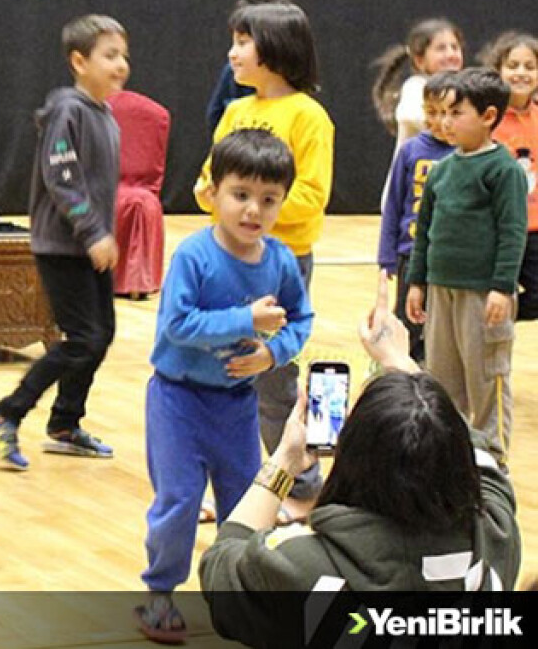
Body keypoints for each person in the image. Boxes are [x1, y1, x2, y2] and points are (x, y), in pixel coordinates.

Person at [199, 312, 521, 648]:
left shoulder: (302, 567)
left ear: (354, 455)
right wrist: (405, 370)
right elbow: (479, 454)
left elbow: (220, 566)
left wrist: (284, 462)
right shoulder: (495, 537)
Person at [134, 130, 312, 644]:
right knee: (180, 500)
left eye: (268, 199)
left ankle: (240, 597)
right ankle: (160, 594)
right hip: (177, 402)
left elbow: (300, 321)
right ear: (212, 193)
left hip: (237, 406)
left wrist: (271, 352)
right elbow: (177, 326)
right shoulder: (194, 256)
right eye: (240, 194)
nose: (253, 209)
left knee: (245, 503)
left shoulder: (279, 261)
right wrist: (245, 320)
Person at [194, 2, 333, 511]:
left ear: (276, 48)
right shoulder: (235, 112)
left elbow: (311, 196)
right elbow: (209, 180)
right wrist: (212, 198)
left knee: (273, 379)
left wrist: (249, 212)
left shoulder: (308, 116)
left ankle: (297, 478)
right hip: (225, 264)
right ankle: (231, 484)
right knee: (219, 372)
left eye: (242, 42)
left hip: (281, 264)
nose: (232, 53)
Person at [0, 15, 125, 470]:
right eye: (110, 55)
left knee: (100, 336)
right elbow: (62, 178)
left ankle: (64, 424)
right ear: (78, 62)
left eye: (124, 56)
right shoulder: (68, 110)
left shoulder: (105, 116)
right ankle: (6, 413)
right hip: (63, 247)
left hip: (88, 246)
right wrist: (92, 231)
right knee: (82, 338)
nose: (121, 65)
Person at [406, 68, 527, 462]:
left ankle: (492, 459)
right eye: (441, 113)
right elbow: (424, 232)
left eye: (456, 113)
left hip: (482, 293)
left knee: (486, 377)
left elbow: (513, 231)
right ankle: (449, 457)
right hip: (442, 289)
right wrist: (417, 281)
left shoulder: (503, 169)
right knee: (443, 377)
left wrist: (501, 286)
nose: (445, 122)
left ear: (489, 116)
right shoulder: (443, 170)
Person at [375, 71, 454, 362]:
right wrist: (387, 256)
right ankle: (397, 371)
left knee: (440, 325)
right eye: (431, 112)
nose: (439, 121)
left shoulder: (465, 152)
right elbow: (394, 204)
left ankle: (430, 375)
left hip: (448, 257)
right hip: (410, 253)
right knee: (406, 320)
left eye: (448, 112)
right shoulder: (411, 151)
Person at [481, 31, 538, 320]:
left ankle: (496, 315)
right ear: (498, 70)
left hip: (534, 228)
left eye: (529, 66)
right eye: (513, 65)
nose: (521, 73)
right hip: (498, 228)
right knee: (487, 291)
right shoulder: (488, 119)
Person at [203, 0, 292, 134]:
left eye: (243, 42)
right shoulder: (234, 106)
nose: (232, 54)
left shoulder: (305, 113)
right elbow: (215, 117)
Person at [370, 17, 465, 144]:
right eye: (441, 49)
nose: (451, 54)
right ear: (419, 60)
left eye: (455, 47)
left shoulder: (463, 91)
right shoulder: (415, 88)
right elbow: (412, 117)